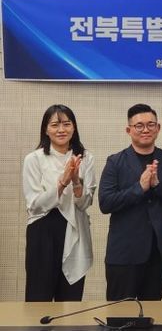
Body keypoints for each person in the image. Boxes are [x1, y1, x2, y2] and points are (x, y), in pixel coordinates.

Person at [99, 104, 162, 301]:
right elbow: (105, 203)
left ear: (158, 128)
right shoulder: (115, 162)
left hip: (158, 251)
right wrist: (139, 188)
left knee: (153, 311)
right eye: (139, 126)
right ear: (129, 130)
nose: (146, 130)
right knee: (120, 312)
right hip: (124, 252)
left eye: (151, 124)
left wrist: (158, 185)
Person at [22, 105, 97, 302]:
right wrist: (62, 182)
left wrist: (76, 182)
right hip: (43, 230)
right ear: (46, 130)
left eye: (66, 124)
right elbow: (34, 204)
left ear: (74, 127)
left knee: (71, 300)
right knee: (39, 297)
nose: (61, 130)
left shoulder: (85, 158)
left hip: (75, 228)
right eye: (55, 125)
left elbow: (85, 203)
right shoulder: (34, 159)